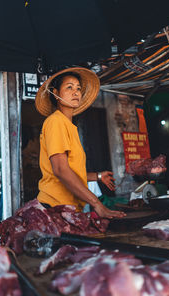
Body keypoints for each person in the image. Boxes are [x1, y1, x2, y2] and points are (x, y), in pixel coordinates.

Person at [35, 67, 125, 219]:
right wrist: (97, 204)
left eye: (78, 88)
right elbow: (60, 170)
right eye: (69, 87)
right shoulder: (56, 122)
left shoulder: (68, 125)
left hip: (68, 209)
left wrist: (97, 176)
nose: (76, 92)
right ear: (56, 93)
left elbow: (72, 171)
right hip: (54, 207)